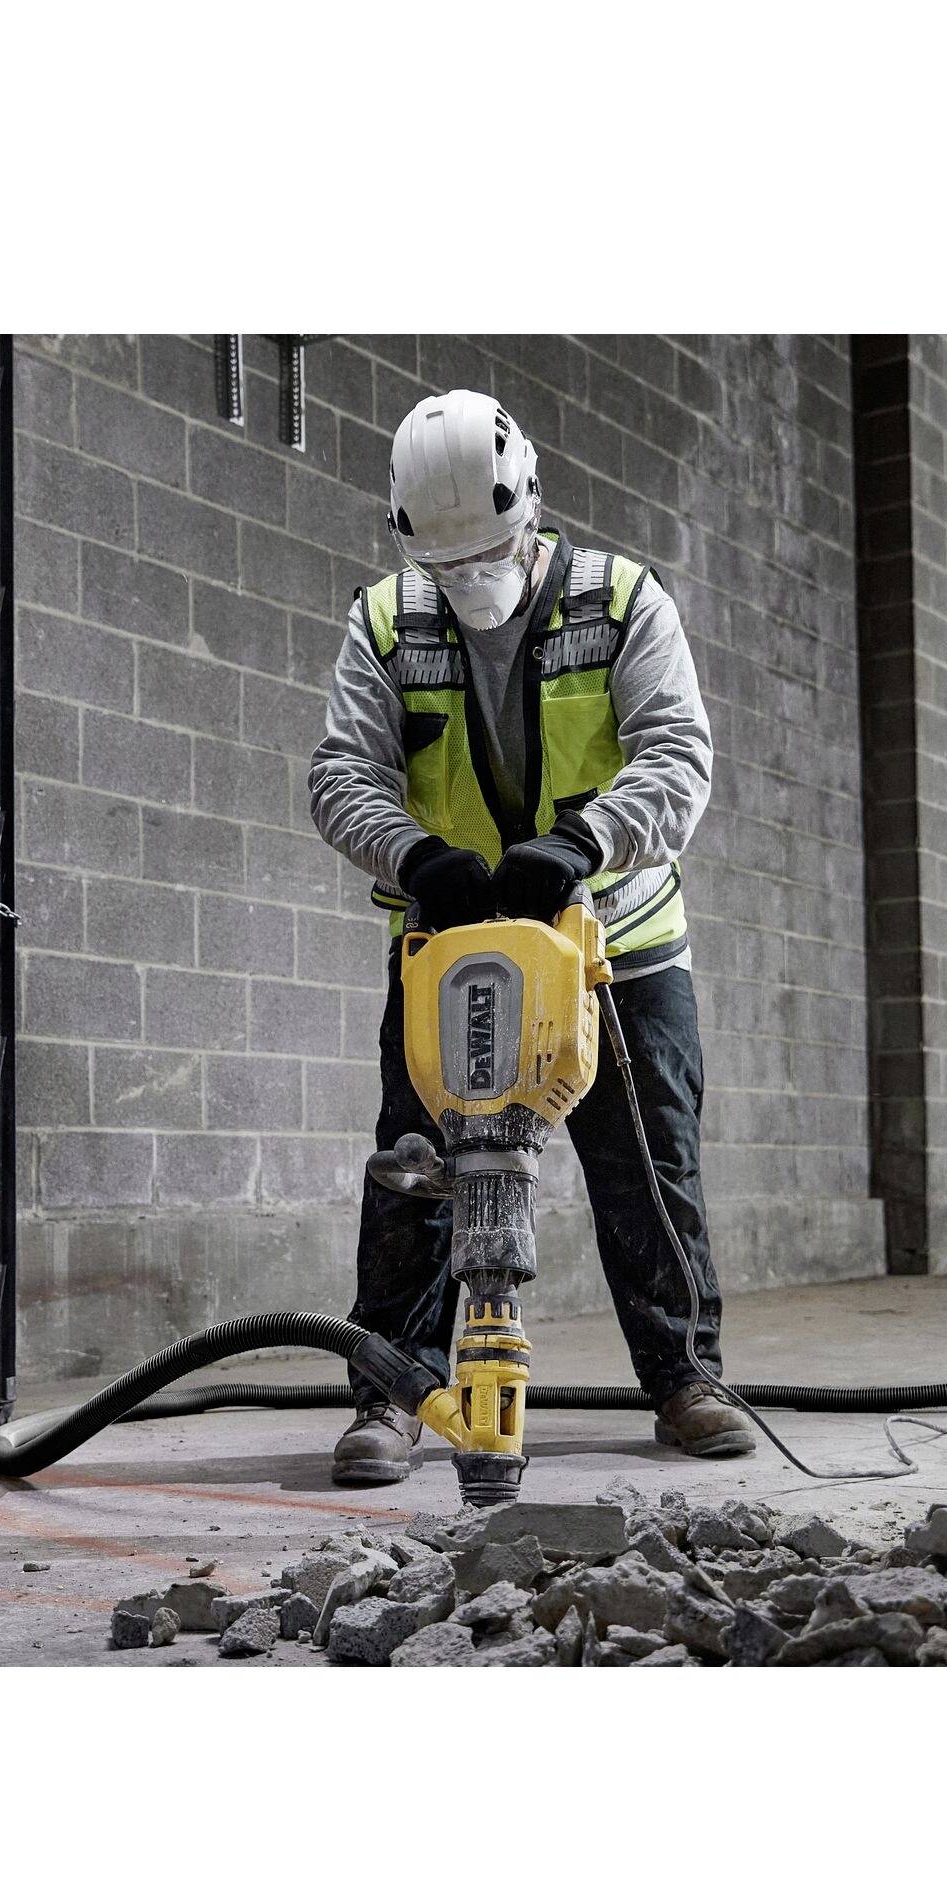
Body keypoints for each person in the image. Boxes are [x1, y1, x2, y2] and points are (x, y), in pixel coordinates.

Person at [308, 388, 753, 1485]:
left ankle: (684, 1376)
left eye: (491, 554)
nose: (473, 579)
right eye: (449, 564)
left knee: (647, 1164)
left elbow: (677, 757)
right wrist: (417, 857)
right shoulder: (383, 619)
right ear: (408, 537)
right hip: (449, 944)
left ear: (533, 509)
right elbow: (339, 774)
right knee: (413, 1169)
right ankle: (393, 1392)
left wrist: (583, 842)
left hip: (616, 943)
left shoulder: (621, 601)